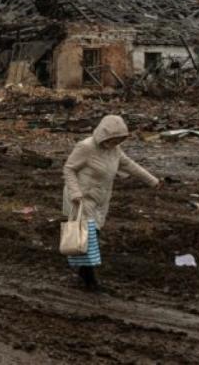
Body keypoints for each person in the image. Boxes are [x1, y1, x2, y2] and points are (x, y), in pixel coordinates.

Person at [62, 114, 159, 291]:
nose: (114, 143)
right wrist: (75, 192)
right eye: (112, 139)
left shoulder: (114, 150)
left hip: (100, 199)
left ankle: (84, 276)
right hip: (82, 198)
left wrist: (152, 180)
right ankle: (90, 281)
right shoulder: (86, 147)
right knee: (90, 238)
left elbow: (129, 165)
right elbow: (69, 169)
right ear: (103, 135)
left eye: (118, 139)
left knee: (90, 238)